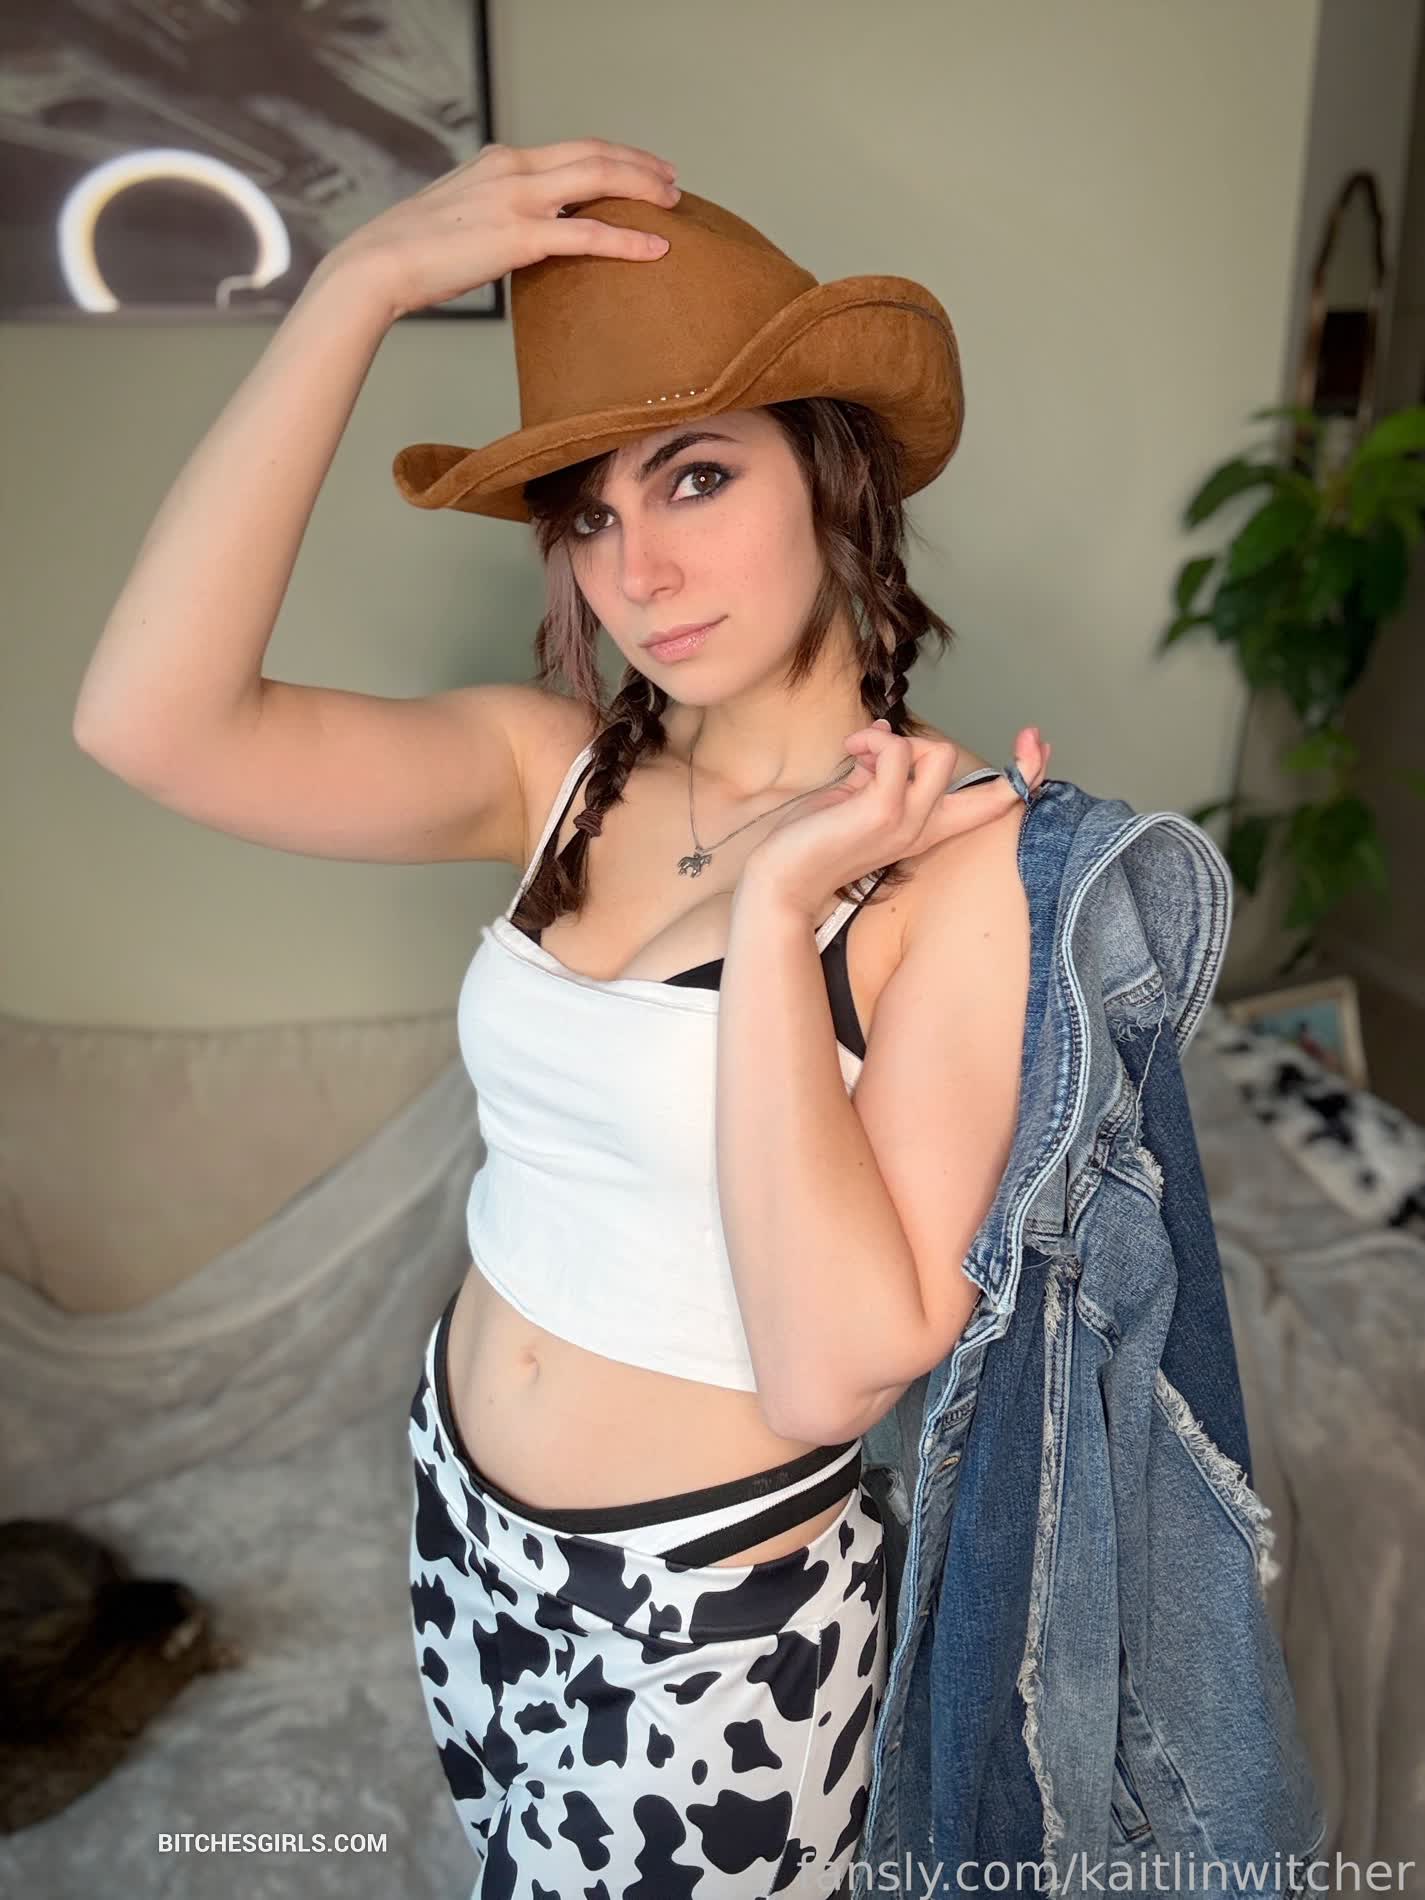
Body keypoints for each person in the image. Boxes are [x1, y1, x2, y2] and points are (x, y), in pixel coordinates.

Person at [73, 138, 1050, 1898]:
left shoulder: (960, 855)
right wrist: (356, 290)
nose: (637, 570)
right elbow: (148, 723)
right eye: (588, 516)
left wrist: (776, 919)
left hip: (709, 1622)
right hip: (461, 1516)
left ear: (835, 476)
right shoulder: (555, 771)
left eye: (695, 478)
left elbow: (839, 1365)